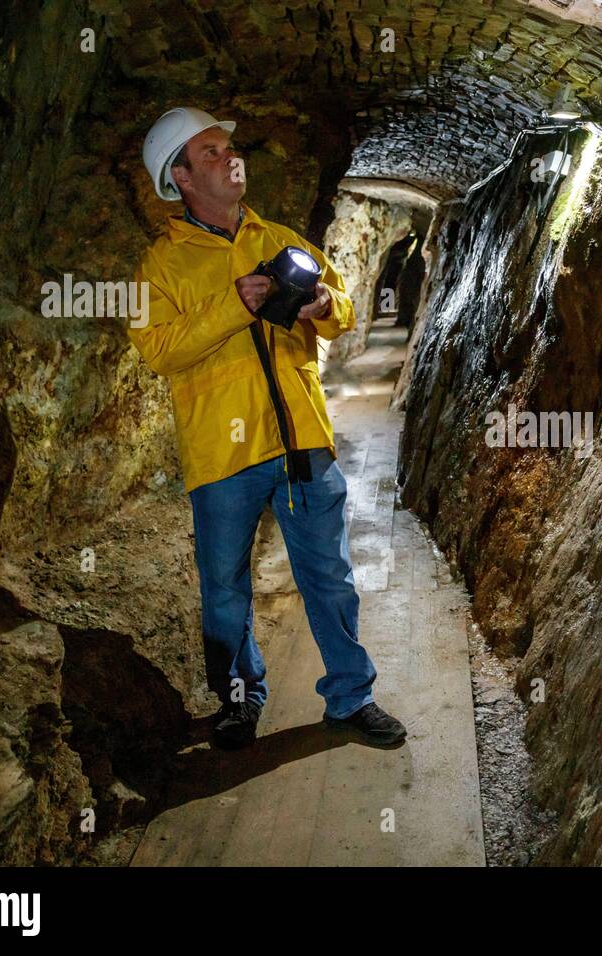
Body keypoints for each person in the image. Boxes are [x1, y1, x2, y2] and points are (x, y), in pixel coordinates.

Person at [129, 107, 406, 749]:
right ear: (181, 176)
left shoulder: (279, 238)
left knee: (330, 576)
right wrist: (236, 303)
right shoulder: (161, 268)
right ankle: (237, 701)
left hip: (301, 438)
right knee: (225, 589)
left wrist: (323, 304)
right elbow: (159, 349)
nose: (233, 157)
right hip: (222, 454)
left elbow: (341, 311)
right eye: (213, 152)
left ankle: (350, 697)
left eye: (231, 146)